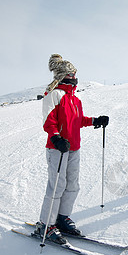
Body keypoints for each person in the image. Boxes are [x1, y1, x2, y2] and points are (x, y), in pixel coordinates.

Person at [35, 54, 109, 244]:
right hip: (57, 149)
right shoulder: (54, 95)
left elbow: (78, 121)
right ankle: (46, 224)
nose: (74, 75)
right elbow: (48, 121)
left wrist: (95, 121)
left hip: (74, 148)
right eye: (70, 73)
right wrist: (56, 137)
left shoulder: (75, 100)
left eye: (75, 72)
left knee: (72, 185)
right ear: (62, 74)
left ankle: (61, 218)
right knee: (57, 186)